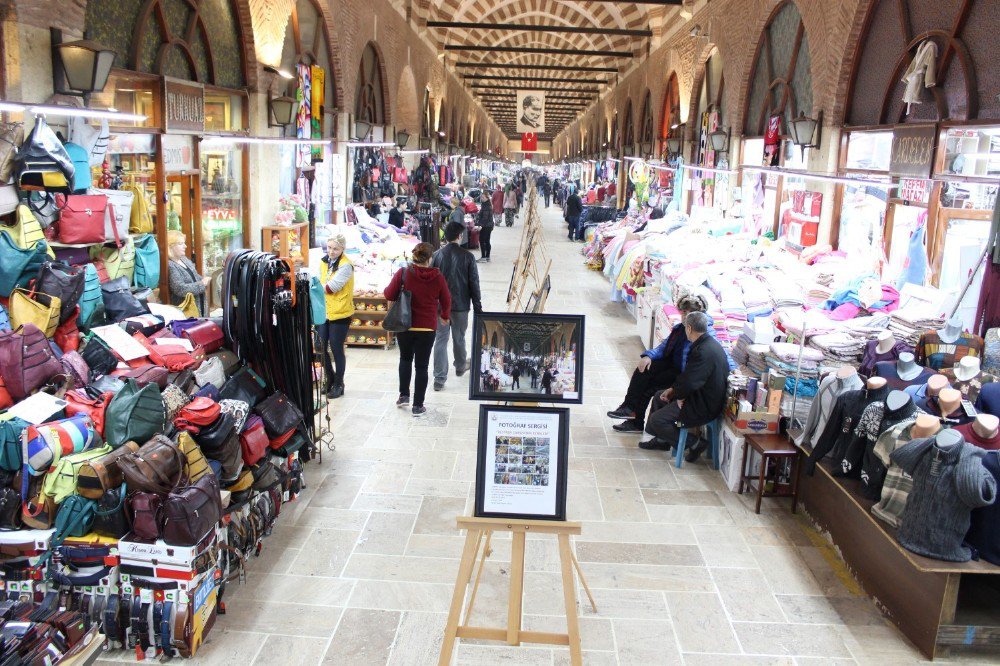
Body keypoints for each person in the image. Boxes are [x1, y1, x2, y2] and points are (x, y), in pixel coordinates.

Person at [608, 294, 735, 433]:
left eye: (688, 313)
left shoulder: (706, 333)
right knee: (643, 370)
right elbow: (664, 347)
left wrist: (735, 371)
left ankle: (639, 424)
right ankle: (629, 408)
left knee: (650, 388)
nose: (684, 316)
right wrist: (648, 356)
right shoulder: (680, 328)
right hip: (675, 368)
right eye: (683, 312)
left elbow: (722, 354)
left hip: (685, 375)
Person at [641, 312, 729, 461]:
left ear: (688, 328)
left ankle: (695, 443)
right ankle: (662, 441)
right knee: (659, 397)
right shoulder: (709, 344)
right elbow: (689, 378)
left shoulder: (702, 351)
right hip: (703, 397)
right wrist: (673, 391)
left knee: (657, 420)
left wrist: (679, 396)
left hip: (703, 406)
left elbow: (690, 382)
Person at [384, 242, 451, 416]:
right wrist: (444, 316)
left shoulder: (404, 273)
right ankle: (418, 406)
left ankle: (404, 395)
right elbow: (446, 299)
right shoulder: (438, 277)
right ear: (430, 259)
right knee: (422, 366)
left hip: (405, 325)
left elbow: (389, 294)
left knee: (405, 359)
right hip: (427, 328)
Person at [432, 221, 482, 391]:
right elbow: (473, 282)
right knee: (459, 337)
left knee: (441, 339)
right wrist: (478, 305)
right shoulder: (468, 257)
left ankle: (439, 379)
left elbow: (431, 282)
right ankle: (460, 366)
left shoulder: (437, 255)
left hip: (440, 308)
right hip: (461, 306)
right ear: (459, 236)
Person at [317, 235, 354, 399]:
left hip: (340, 312)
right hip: (324, 311)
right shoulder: (324, 261)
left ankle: (339, 383)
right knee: (319, 347)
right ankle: (330, 378)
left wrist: (315, 286)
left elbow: (331, 287)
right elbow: (319, 281)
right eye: (329, 247)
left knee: (336, 348)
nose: (331, 251)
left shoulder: (346, 266)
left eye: (335, 249)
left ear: (342, 249)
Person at [166, 230, 210, 316]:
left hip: (200, 306)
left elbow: (195, 276)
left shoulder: (184, 259)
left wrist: (203, 280)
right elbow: (180, 289)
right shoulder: (170, 265)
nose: (185, 246)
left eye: (184, 243)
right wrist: (202, 284)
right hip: (186, 311)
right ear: (170, 246)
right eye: (180, 244)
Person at [476, 191, 494, 263]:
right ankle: (487, 257)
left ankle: (484, 257)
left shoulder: (486, 206)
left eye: (483, 197)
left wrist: (480, 225)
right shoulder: (486, 204)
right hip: (488, 226)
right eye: (481, 197)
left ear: (487, 197)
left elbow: (485, 218)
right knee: (487, 241)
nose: (481, 198)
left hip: (486, 226)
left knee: (482, 240)